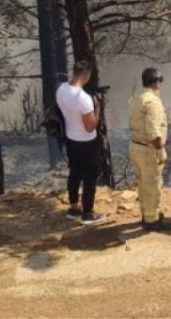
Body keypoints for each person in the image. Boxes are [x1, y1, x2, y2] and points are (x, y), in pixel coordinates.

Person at [55, 60, 106, 225]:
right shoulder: (84, 99)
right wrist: (98, 108)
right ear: (86, 74)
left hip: (70, 138)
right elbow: (90, 127)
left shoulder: (61, 89)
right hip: (86, 141)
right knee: (90, 177)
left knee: (75, 172)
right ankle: (88, 213)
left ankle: (74, 208)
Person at [127, 68, 171, 232]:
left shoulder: (134, 99)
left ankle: (147, 214)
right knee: (152, 184)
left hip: (135, 146)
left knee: (142, 183)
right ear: (157, 83)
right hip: (148, 149)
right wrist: (160, 149)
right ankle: (152, 221)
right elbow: (153, 131)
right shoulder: (152, 102)